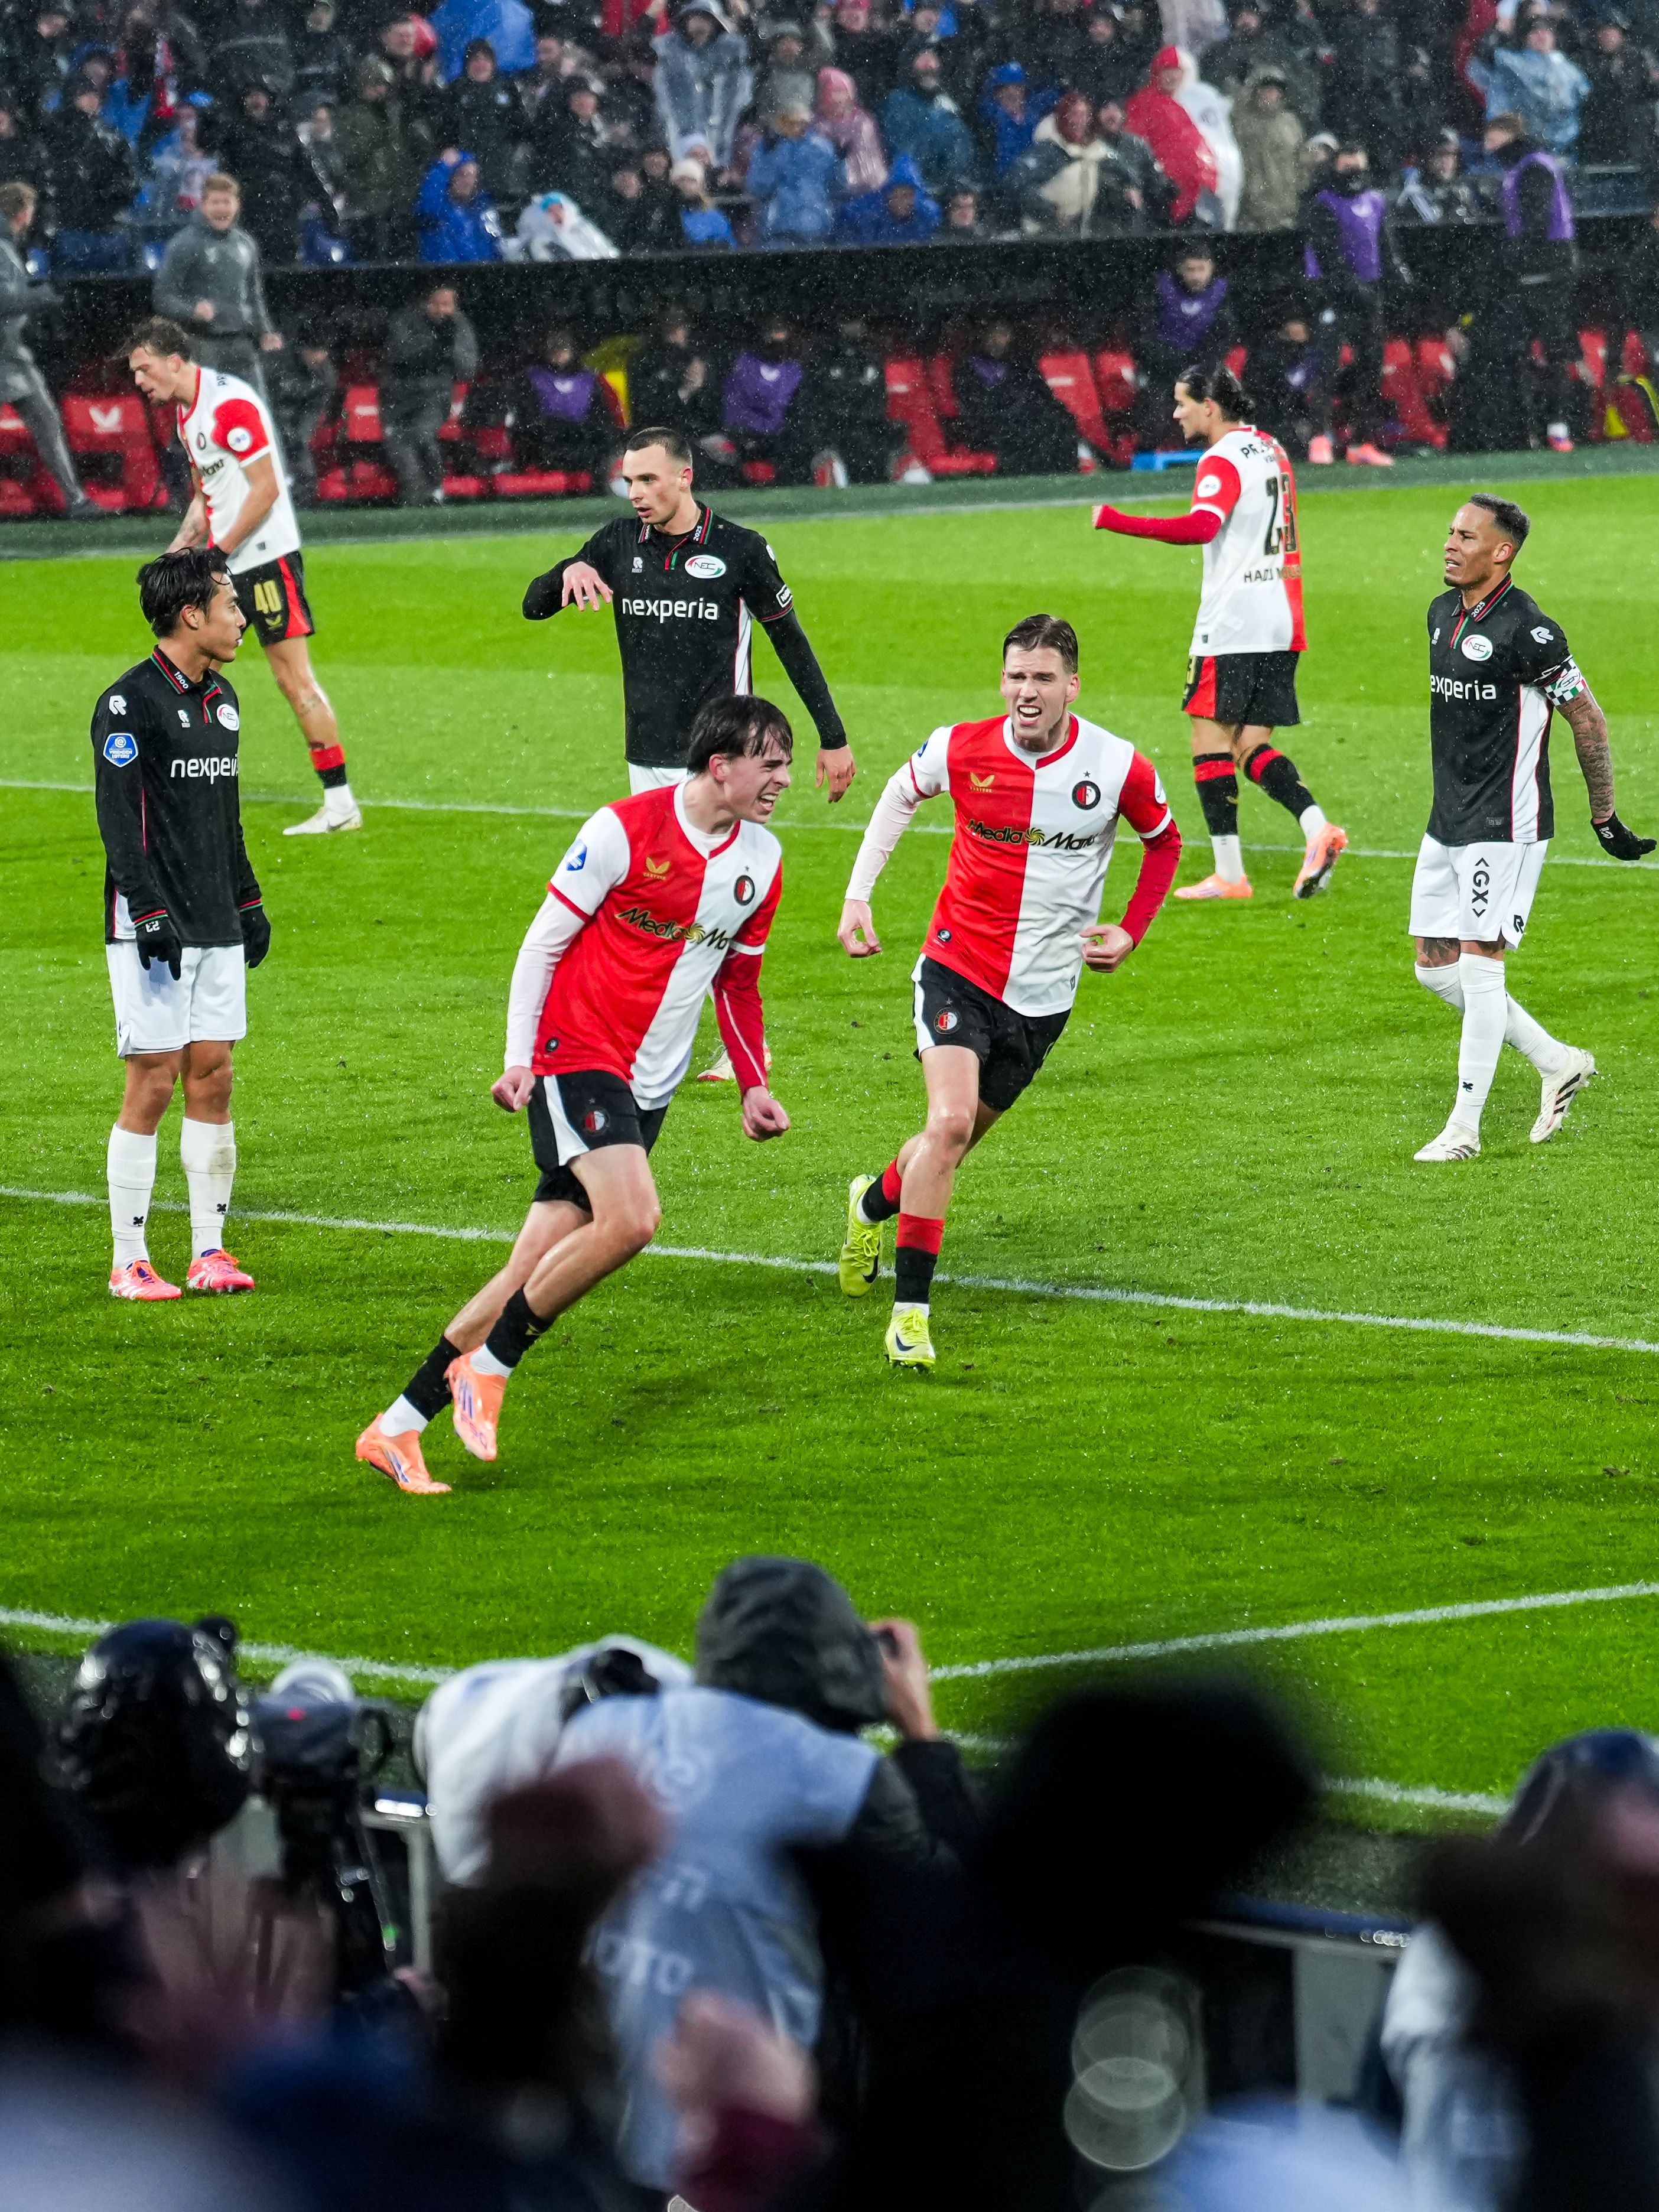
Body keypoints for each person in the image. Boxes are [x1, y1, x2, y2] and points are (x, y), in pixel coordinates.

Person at [355, 696, 793, 1489]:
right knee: (634, 1219)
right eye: (770, 763)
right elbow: (543, 941)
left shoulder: (762, 861)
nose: (784, 780)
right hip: (580, 1053)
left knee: (529, 1267)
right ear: (720, 764)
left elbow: (739, 980)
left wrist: (752, 1085)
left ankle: (399, 1424)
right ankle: (489, 1369)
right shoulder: (623, 829)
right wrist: (519, 1056)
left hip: (650, 1086)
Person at [555, 1556, 973, 2193]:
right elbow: (951, 1915)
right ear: (839, 1659)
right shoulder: (839, 1776)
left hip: (575, 2134)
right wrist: (921, 1734)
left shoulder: (603, 1728)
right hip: (741, 2153)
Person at [834, 614, 1180, 1368]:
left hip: (1046, 996)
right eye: (1016, 676)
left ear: (1073, 686)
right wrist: (859, 896)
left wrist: (1131, 929)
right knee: (949, 1124)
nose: (1027, 691)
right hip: (958, 965)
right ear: (1003, 681)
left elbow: (1165, 843)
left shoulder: (1118, 766)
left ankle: (869, 1205)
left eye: (1043, 678)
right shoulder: (961, 746)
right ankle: (911, 1317)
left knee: (945, 1148)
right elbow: (899, 794)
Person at [1408, 496, 1650, 1162]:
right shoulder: (1440, 614)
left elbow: (1589, 719)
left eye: (1465, 536)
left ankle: (1463, 1130)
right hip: (1447, 818)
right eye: (1451, 533)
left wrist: (1603, 815)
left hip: (1505, 824)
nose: (1450, 545)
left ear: (1502, 551)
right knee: (1435, 969)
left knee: (1482, 971)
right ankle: (1558, 1060)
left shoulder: (1531, 632)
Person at [1094, 363, 1347, 903]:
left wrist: (1118, 520)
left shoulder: (1221, 458)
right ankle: (1317, 828)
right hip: (1283, 614)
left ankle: (1231, 875)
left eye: (1183, 402)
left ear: (1210, 405)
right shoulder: (1270, 447)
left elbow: (1202, 526)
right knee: (1250, 745)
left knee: (1207, 738)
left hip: (1234, 621)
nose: (1176, 412)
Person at [92, 549, 268, 1302]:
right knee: (155, 1082)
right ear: (191, 614)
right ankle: (129, 1260)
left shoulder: (223, 699)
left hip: (216, 919)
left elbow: (224, 816)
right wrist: (148, 908)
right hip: (153, 927)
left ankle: (209, 1252)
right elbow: (118, 823)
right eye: (230, 604)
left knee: (215, 1078)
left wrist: (250, 900)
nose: (242, 618)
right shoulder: (127, 705)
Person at [521, 425, 854, 800]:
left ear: (685, 478)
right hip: (645, 759)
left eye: (648, 480)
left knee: (722, 860)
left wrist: (833, 738)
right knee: (658, 863)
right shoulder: (617, 542)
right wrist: (567, 569)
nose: (635, 494)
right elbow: (533, 607)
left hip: (723, 755)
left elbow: (790, 643)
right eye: (630, 481)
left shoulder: (740, 549)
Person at [127, 315, 360, 835]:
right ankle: (186, 790)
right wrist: (173, 555)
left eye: (144, 369)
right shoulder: (188, 417)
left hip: (267, 560)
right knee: (188, 668)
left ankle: (341, 803)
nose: (140, 382)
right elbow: (206, 499)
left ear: (174, 361)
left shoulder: (229, 403)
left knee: (293, 679)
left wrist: (217, 554)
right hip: (228, 560)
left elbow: (266, 489)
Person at [0, 183, 103, 520]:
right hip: (6, 353)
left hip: (12, 354)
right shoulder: (2, 248)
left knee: (45, 420)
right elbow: (4, 300)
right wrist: (42, 296)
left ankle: (76, 500)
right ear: (23, 212)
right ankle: (75, 499)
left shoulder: (9, 247)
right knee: (45, 421)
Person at [1301, 141, 1407, 467]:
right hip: (1336, 295)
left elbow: (1385, 245)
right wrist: (1350, 287)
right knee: (1328, 366)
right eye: (1347, 168)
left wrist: (1397, 277)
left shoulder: (1376, 201)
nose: (1353, 174)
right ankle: (1320, 437)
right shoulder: (1323, 204)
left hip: (1369, 294)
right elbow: (1327, 255)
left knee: (1370, 368)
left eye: (1358, 167)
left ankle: (1362, 441)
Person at [1484, 111, 1579, 455]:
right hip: (1535, 266)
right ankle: (1538, 426)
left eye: (1493, 140)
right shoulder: (1523, 167)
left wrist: (1514, 254)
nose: (1488, 148)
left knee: (1550, 350)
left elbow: (1536, 218)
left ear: (1509, 135)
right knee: (1526, 350)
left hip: (1548, 267)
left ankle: (1555, 425)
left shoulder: (1534, 166)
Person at [153, 173, 281, 402]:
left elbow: (254, 294)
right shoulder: (185, 244)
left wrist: (265, 330)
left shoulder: (246, 244)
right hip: (202, 344)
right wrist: (192, 310)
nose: (221, 209)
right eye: (215, 202)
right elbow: (163, 296)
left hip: (241, 343)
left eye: (227, 202)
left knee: (255, 409)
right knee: (199, 413)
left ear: (237, 205)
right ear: (203, 206)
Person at [381, 279, 478, 505]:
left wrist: (448, 348)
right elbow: (399, 355)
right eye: (437, 304)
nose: (442, 310)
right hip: (399, 395)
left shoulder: (459, 325)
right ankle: (414, 493)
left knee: (421, 434)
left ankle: (435, 488)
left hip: (435, 395)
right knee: (397, 441)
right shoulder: (405, 321)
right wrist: (434, 345)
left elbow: (467, 367)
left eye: (447, 304)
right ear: (425, 303)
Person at [1132, 244, 1238, 448]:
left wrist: (1196, 366)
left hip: (1201, 373)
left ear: (1212, 269)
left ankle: (1205, 456)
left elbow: (1222, 339)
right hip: (1162, 371)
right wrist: (1169, 362)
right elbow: (1144, 336)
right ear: (1180, 269)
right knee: (1153, 415)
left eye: (1202, 269)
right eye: (1191, 270)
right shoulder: (1161, 290)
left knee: (1210, 409)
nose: (1196, 276)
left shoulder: (1221, 296)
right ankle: (1144, 458)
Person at [39, 70, 138, 274]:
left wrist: (105, 197)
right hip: (67, 229)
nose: (91, 100)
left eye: (94, 94)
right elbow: (46, 178)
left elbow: (131, 182)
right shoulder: (52, 135)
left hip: (106, 230)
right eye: (84, 95)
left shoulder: (112, 138)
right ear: (71, 98)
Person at [952, 320, 1078, 475]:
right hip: (991, 425)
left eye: (1002, 334)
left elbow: (1044, 395)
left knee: (1059, 422)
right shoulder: (969, 367)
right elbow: (973, 407)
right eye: (992, 334)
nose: (996, 340)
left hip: (1026, 421)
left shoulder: (1021, 364)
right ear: (983, 336)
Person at [653, 0, 754, 170]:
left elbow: (756, 54)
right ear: (686, 21)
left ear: (715, 23)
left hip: (721, 135)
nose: (700, 23)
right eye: (695, 18)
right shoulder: (669, 50)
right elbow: (637, 49)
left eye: (706, 19)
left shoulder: (730, 52)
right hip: (678, 132)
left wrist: (745, 19)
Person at [1124, 44, 1219, 223]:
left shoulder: (1181, 105)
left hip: (1188, 194)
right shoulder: (1142, 104)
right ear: (1157, 73)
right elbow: (1135, 148)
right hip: (1160, 194)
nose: (1173, 76)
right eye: (1167, 70)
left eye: (1177, 70)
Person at [509, 326, 616, 477]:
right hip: (548, 445)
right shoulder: (531, 379)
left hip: (583, 444)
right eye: (553, 346)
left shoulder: (589, 380)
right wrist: (557, 429)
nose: (559, 351)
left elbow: (602, 418)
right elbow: (528, 419)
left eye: (563, 346)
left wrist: (583, 431)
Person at [746, 100, 844, 244]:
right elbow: (756, 187)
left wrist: (841, 162)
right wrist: (772, 156)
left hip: (816, 229)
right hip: (778, 232)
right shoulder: (770, 147)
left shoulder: (823, 148)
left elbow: (839, 186)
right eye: (790, 122)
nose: (797, 126)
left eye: (801, 122)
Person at [1247, 302, 1332, 461]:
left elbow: (1323, 386)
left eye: (1300, 323)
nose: (1296, 328)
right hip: (1278, 412)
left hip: (1305, 410)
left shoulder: (1317, 355)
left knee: (1320, 397)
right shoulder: (1269, 354)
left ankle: (1319, 441)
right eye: (1292, 324)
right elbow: (1261, 389)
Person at [1232, 67, 1304, 231]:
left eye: (1275, 89)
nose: (1270, 94)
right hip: (1249, 213)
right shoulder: (1241, 121)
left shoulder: (1290, 123)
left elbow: (1300, 160)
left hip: (1284, 212)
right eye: (1265, 88)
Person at [415, 147, 503, 261]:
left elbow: (495, 251)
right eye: (462, 175)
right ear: (450, 178)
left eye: (471, 176)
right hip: (443, 276)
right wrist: (443, 168)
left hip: (479, 276)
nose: (467, 181)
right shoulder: (439, 211)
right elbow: (427, 205)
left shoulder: (482, 211)